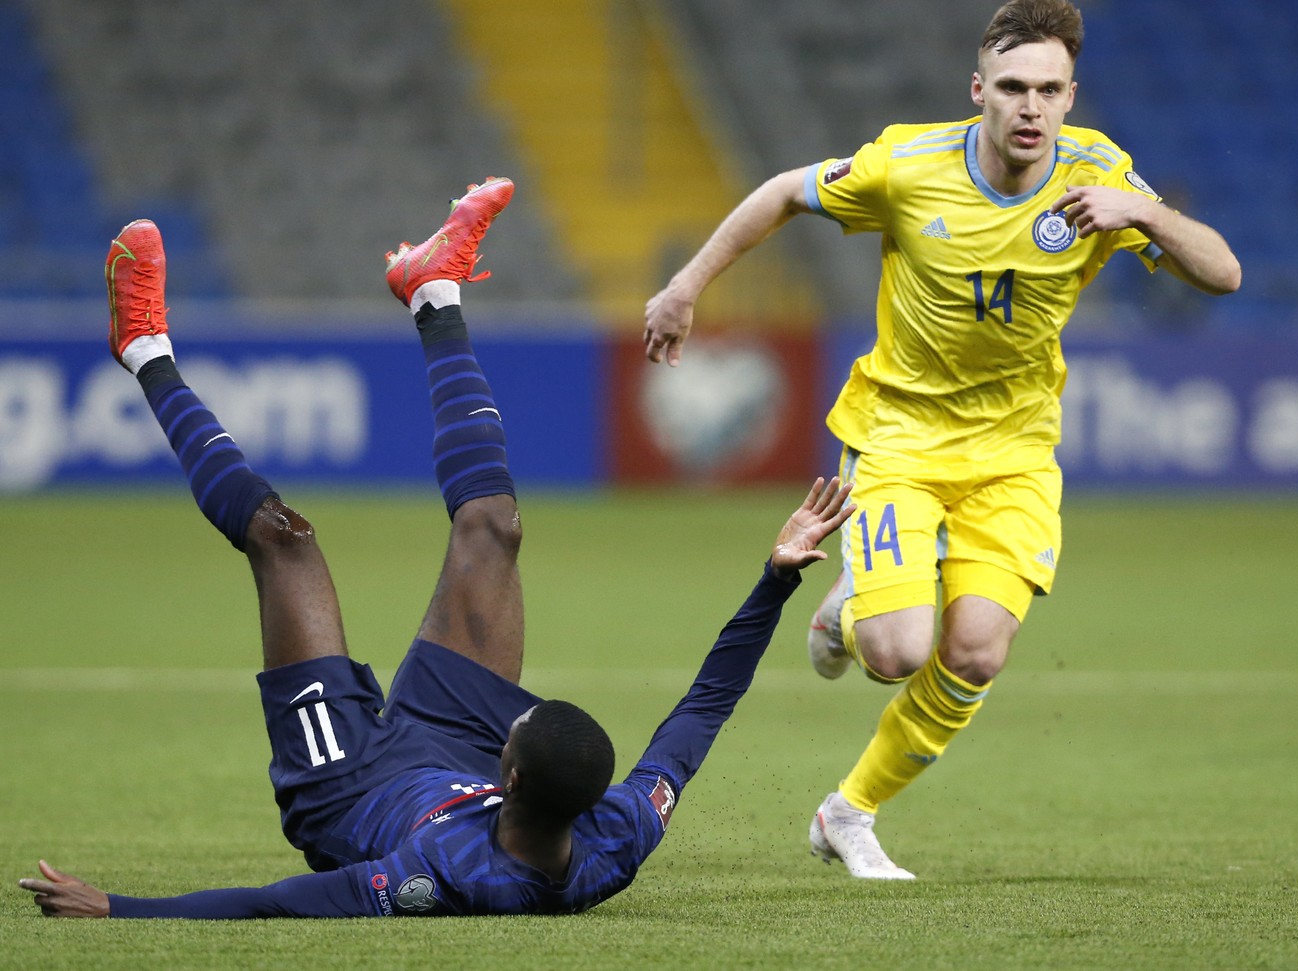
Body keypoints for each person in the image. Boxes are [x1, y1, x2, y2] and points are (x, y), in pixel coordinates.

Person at [19, 179, 854, 918]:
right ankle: (434, 291)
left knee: (284, 542)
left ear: (513, 772)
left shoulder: (445, 873)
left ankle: (143, 350)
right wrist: (775, 579)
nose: (518, 702)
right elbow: (702, 709)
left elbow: (282, 902)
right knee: (495, 527)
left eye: (521, 720)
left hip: (345, 784)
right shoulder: (619, 830)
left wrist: (120, 907)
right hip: (452, 750)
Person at [642, 0, 1241, 880]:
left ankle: (848, 812)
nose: (1030, 107)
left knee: (977, 651)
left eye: (1048, 89)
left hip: (1017, 456)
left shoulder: (1100, 175)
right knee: (896, 653)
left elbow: (1222, 272)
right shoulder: (909, 164)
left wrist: (1142, 213)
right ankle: (853, 606)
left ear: (1071, 96)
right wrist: (687, 285)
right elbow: (781, 192)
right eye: (1011, 88)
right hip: (900, 440)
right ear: (978, 92)